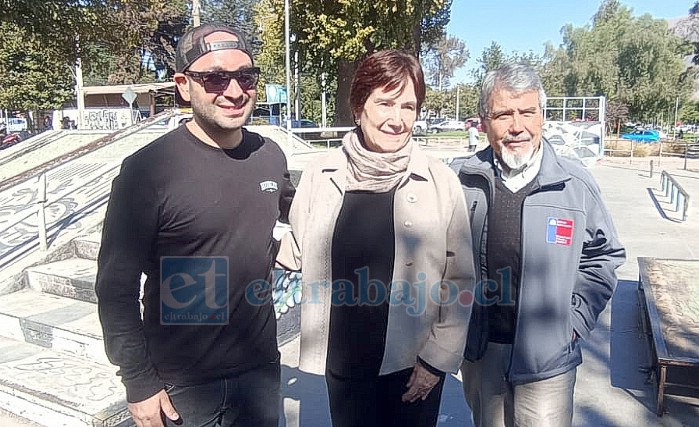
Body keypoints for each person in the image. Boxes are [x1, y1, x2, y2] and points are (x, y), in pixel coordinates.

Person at [95, 23, 294, 427]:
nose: (235, 91)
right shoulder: (147, 171)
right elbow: (115, 287)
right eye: (215, 78)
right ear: (185, 85)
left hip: (258, 373)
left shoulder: (269, 155)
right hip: (180, 386)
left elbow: (302, 214)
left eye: (246, 76)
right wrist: (138, 381)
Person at [276, 49, 476, 427]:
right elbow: (298, 250)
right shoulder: (321, 175)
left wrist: (437, 359)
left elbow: (461, 281)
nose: (397, 119)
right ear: (358, 107)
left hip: (413, 368)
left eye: (408, 106)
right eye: (384, 103)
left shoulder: (439, 181)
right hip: (343, 363)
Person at [452, 63, 626, 427]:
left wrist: (573, 321)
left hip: (548, 360)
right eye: (503, 114)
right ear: (484, 121)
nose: (517, 126)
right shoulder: (462, 179)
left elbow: (604, 256)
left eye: (527, 112)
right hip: (482, 353)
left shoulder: (573, 184)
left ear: (542, 117)